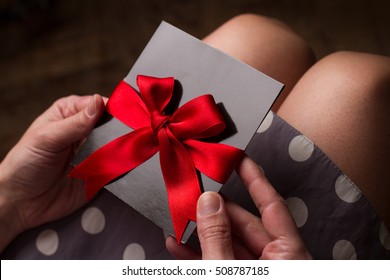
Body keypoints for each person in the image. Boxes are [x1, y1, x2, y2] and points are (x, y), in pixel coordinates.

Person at [0, 14, 389, 259]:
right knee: (360, 88)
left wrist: (11, 200)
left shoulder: (25, 200)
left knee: (255, 36)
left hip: (40, 231)